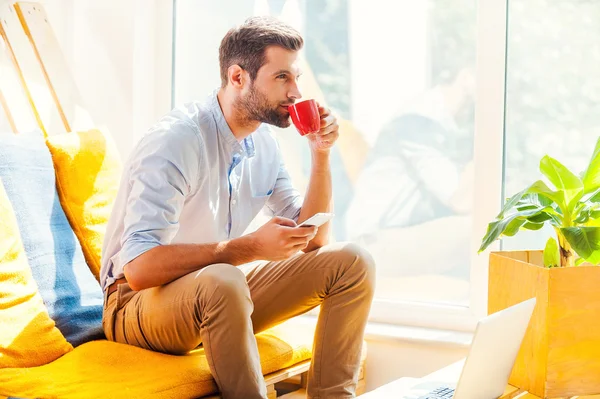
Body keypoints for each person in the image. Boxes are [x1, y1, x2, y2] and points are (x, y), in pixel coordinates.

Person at [100, 16, 375, 399]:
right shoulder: (176, 143)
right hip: (136, 305)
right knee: (224, 279)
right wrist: (248, 248)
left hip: (214, 296)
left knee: (352, 261)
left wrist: (321, 155)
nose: (296, 91)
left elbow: (313, 239)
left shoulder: (263, 144)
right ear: (238, 77)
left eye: (296, 77)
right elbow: (140, 268)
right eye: (282, 78)